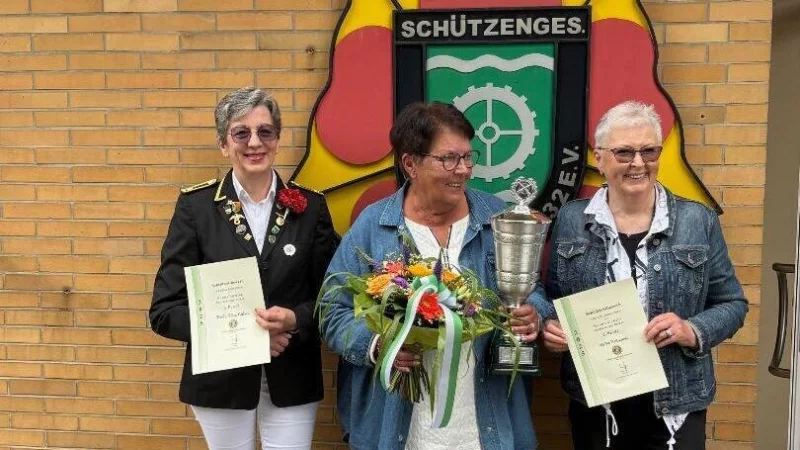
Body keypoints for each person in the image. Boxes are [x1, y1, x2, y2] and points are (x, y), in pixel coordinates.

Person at [320, 101, 547, 450]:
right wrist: (378, 346)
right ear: (410, 163)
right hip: (397, 429)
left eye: (468, 157)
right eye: (449, 159)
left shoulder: (497, 218)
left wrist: (533, 313)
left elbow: (533, 292)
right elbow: (332, 311)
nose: (464, 170)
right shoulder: (373, 226)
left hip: (485, 429)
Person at [539, 101, 748, 450]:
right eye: (624, 153)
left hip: (676, 402)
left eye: (649, 151)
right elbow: (552, 297)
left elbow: (732, 304)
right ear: (601, 158)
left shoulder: (698, 221)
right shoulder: (572, 220)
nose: (638, 163)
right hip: (598, 404)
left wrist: (691, 330)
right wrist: (551, 326)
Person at [149, 87, 337, 450]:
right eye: (241, 133)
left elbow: (333, 296)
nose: (255, 142)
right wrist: (248, 339)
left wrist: (296, 321)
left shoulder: (310, 208)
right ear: (224, 143)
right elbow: (165, 310)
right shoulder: (196, 209)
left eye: (265, 131)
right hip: (221, 381)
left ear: (278, 140)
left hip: (292, 371)